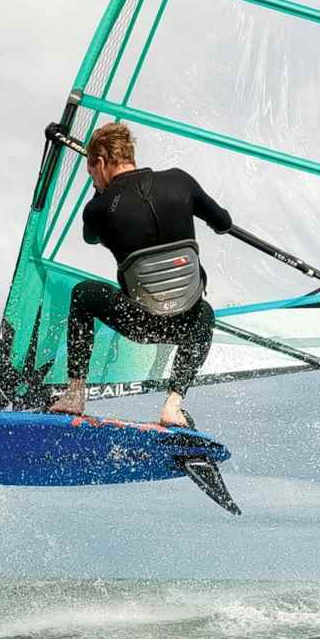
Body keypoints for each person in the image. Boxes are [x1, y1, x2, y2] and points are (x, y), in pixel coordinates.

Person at [48, 122, 233, 427]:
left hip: (139, 319)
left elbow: (90, 238)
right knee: (206, 315)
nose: (93, 179)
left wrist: (99, 194)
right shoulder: (180, 181)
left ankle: (75, 392)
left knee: (83, 294)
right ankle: (174, 405)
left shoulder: (98, 209)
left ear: (102, 162)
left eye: (91, 173)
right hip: (185, 322)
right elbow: (223, 222)